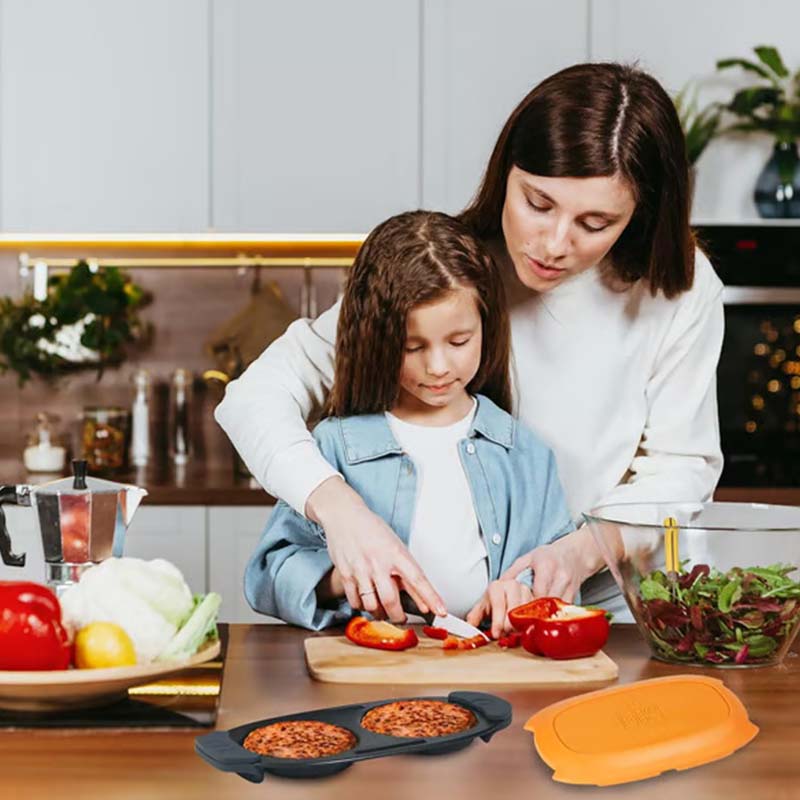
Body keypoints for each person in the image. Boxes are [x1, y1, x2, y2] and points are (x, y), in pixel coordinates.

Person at [217, 62, 724, 623]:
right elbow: (254, 397)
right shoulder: (445, 275)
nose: (554, 243)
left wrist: (577, 556)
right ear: (505, 171)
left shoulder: (681, 289)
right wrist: (341, 512)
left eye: (596, 222)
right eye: (538, 203)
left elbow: (681, 467)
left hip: (608, 603)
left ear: (640, 216)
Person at [244, 211, 577, 635]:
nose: (438, 367)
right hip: (371, 667)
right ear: (378, 343)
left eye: (459, 341)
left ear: (487, 328)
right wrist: (343, 578)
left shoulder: (525, 454)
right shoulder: (335, 446)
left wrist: (525, 595)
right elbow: (267, 577)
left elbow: (558, 584)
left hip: (493, 666)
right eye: (412, 346)